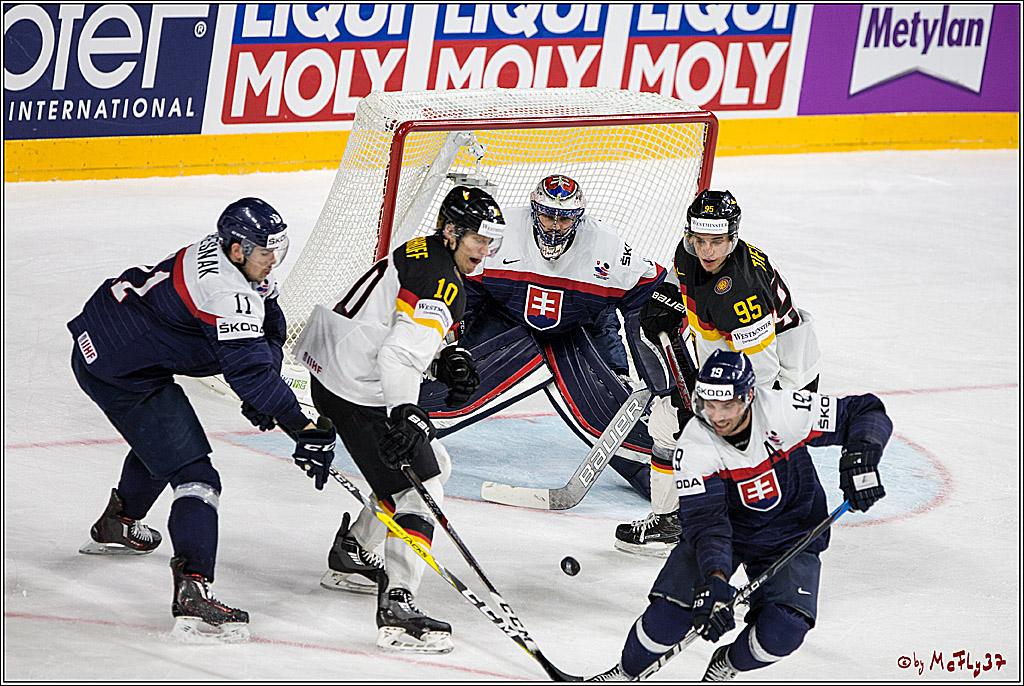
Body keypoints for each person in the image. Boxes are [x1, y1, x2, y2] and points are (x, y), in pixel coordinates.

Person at [68, 198, 337, 642]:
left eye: (277, 251)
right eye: (265, 253)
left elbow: (269, 324)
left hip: (119, 338)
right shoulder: (225, 291)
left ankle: (119, 521)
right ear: (236, 249)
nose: (273, 262)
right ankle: (192, 590)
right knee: (196, 475)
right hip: (118, 367)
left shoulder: (233, 261)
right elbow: (248, 371)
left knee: (164, 441)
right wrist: (300, 427)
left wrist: (263, 393)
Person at [589, 350, 890, 681]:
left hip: (791, 531)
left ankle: (727, 665)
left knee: (783, 631)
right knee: (667, 619)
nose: (716, 416)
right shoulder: (693, 446)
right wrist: (715, 580)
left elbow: (864, 411)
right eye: (708, 404)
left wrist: (862, 457)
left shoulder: (783, 410)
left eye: (727, 405)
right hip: (727, 533)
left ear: (749, 397)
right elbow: (708, 524)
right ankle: (625, 673)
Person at [293, 186, 504, 653]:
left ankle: (354, 549)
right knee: (421, 487)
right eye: (478, 240)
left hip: (337, 371)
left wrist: (444, 357)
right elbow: (397, 356)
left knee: (433, 466)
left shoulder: (425, 254)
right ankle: (398, 603)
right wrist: (406, 415)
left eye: (490, 242)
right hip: (358, 389)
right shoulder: (443, 281)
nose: (484, 251)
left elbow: (395, 327)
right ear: (451, 232)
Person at [422, 174, 670, 496]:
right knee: (459, 379)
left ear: (578, 218)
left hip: (582, 324)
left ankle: (657, 475)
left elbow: (650, 298)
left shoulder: (606, 246)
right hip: (507, 316)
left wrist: (655, 376)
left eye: (564, 218)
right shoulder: (502, 232)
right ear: (533, 209)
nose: (554, 225)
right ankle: (407, 425)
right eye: (547, 215)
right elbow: (465, 284)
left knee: (613, 410)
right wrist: (454, 340)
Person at [616, 189, 822, 556]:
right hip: (728, 363)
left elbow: (762, 373)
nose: (707, 251)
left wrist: (712, 407)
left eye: (717, 242)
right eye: (700, 240)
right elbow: (682, 288)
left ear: (733, 237)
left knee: (733, 446)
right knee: (668, 424)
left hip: (782, 378)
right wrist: (666, 298)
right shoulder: (688, 254)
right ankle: (669, 522)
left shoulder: (741, 289)